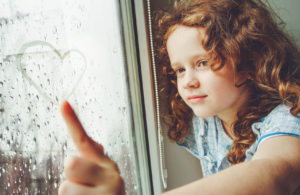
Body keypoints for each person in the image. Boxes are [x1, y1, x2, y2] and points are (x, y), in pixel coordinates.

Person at [58, 0, 300, 194]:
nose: (188, 82)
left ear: (248, 62)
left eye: (203, 63)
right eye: (180, 69)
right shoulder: (206, 124)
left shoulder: (286, 118)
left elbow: (272, 174)